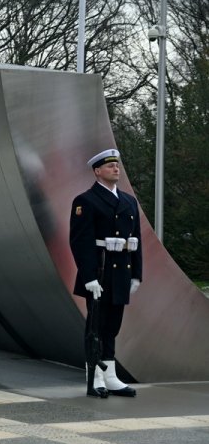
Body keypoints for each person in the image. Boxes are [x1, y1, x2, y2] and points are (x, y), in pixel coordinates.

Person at [69, 148, 141, 399]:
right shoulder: (85, 201)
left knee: (113, 325)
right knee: (96, 325)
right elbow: (80, 241)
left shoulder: (129, 201)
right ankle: (95, 375)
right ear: (97, 171)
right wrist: (88, 276)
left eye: (117, 165)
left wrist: (137, 274)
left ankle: (110, 375)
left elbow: (135, 240)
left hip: (121, 270)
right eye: (109, 166)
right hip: (99, 270)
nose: (116, 169)